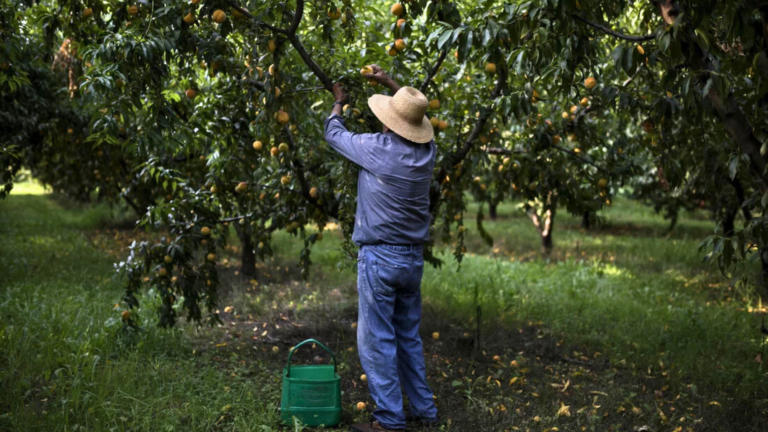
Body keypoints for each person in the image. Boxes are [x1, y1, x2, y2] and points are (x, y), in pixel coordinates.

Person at [323, 65, 439, 432]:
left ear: (388, 121)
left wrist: (338, 103)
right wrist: (392, 84)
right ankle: (424, 411)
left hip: (380, 258)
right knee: (407, 337)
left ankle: (389, 421)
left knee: (377, 340)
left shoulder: (378, 149)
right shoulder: (428, 153)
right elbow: (415, 113)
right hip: (412, 260)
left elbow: (334, 134)